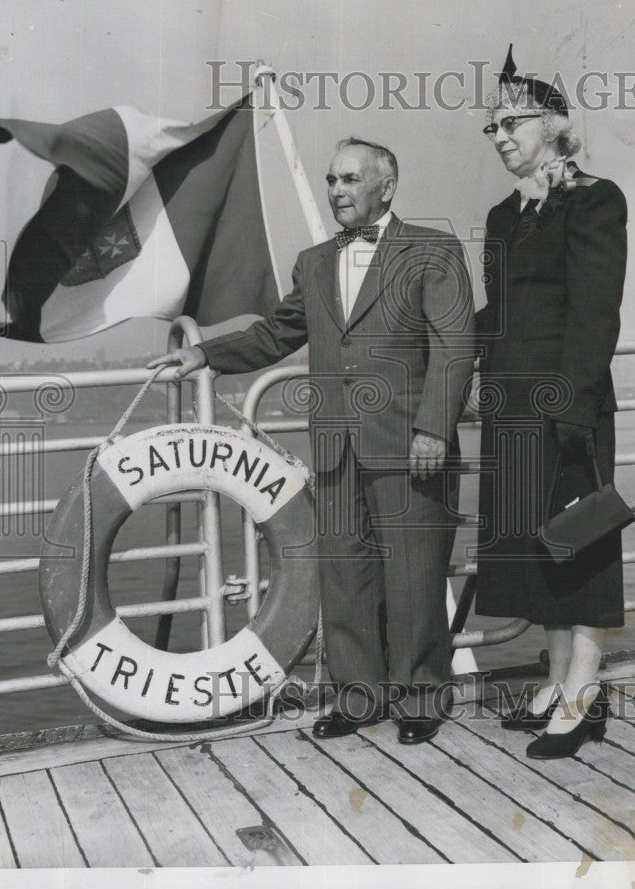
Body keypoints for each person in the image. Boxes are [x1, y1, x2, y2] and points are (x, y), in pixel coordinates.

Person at [149, 137, 475, 744]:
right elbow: (277, 335)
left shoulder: (433, 250)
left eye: (350, 179)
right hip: (334, 444)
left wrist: (434, 427)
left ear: (387, 185)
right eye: (330, 180)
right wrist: (205, 354)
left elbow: (456, 348)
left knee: (413, 573)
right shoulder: (315, 261)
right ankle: (358, 697)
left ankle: (420, 697)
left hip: (409, 441)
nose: (337, 191)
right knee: (345, 573)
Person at [474, 46, 628, 759]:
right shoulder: (504, 217)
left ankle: (584, 690)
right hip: (512, 408)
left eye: (514, 121)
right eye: (493, 126)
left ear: (557, 125)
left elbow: (596, 315)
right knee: (544, 547)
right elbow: (496, 316)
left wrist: (570, 411)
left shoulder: (595, 200)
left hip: (570, 406)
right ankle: (558, 675)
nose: (501, 135)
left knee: (583, 543)